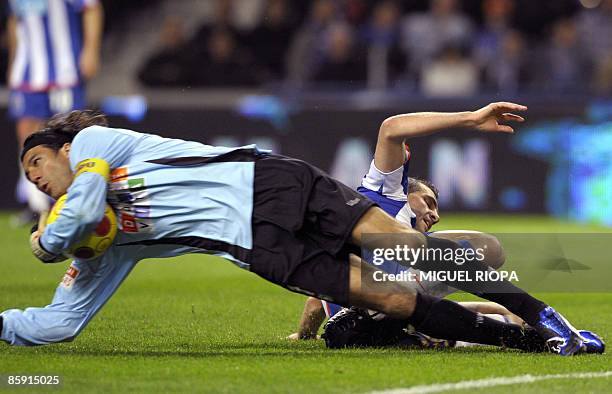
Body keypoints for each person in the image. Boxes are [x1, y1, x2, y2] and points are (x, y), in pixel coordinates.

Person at [0, 104, 602, 356]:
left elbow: (76, 211)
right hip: (256, 246)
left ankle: (550, 318)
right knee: (392, 296)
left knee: (411, 248)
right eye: (28, 179)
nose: (37, 182)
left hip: (267, 183)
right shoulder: (106, 242)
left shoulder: (96, 146)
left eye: (37, 165)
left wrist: (45, 241)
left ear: (61, 147)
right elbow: (59, 324)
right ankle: (527, 341)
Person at [7, 0, 103, 220]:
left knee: (68, 135)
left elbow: (91, 7)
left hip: (64, 70)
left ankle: (75, 196)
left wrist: (91, 50)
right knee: (26, 133)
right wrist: (14, 60)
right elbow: (15, 21)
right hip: (27, 70)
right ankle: (35, 202)